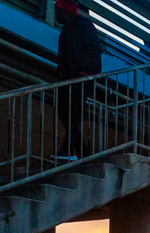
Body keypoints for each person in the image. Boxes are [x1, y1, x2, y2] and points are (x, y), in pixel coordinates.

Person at [53, 0, 102, 160]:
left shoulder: (83, 25)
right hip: (68, 77)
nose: (55, 12)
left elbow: (93, 48)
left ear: (63, 10)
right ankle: (83, 153)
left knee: (73, 113)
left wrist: (86, 71)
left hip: (80, 77)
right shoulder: (67, 29)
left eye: (57, 9)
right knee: (64, 112)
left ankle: (67, 152)